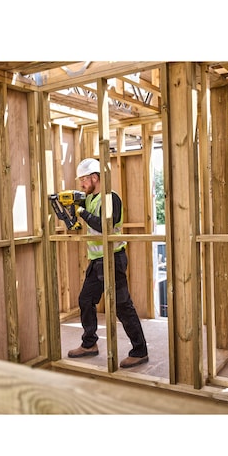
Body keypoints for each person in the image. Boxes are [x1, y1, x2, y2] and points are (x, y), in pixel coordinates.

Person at [67, 158, 149, 369]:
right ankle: (90, 344)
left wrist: (82, 212)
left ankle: (140, 351)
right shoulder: (91, 199)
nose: (81, 185)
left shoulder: (111, 198)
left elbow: (104, 225)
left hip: (113, 259)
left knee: (122, 306)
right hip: (97, 261)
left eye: (84, 180)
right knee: (86, 300)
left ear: (95, 177)